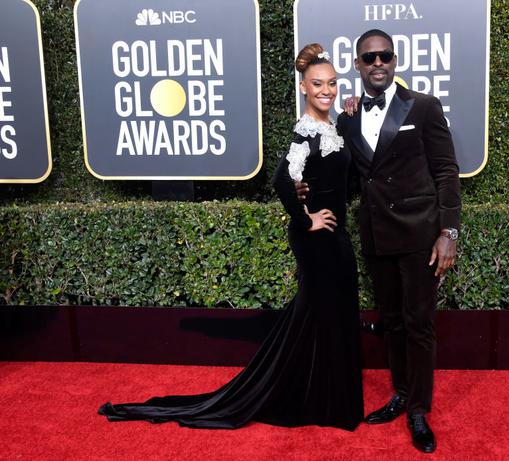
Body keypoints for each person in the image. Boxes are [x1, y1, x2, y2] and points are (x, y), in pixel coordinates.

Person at [98, 44, 364, 431]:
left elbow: (331, 168)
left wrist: (349, 112)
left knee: (331, 313)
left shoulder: (330, 126)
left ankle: (323, 396)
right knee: (318, 313)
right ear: (304, 88)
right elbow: (281, 180)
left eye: (333, 83)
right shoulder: (305, 131)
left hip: (335, 236)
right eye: (318, 84)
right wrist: (305, 220)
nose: (327, 90)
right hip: (317, 239)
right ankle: (309, 397)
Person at [298, 29, 461, 453]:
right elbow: (345, 176)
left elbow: (445, 170)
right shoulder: (348, 116)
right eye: (369, 58)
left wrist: (448, 232)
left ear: (394, 60)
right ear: (357, 65)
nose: (377, 64)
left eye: (384, 56)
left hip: (420, 234)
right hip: (376, 235)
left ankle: (419, 410)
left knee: (419, 323)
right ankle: (402, 392)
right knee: (391, 321)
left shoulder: (423, 106)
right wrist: (304, 194)